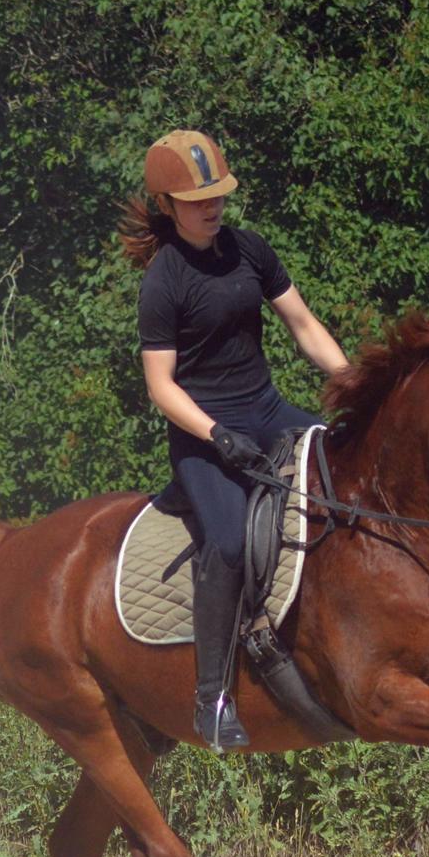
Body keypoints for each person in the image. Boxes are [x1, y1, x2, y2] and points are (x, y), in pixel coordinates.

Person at [120, 129, 348, 750]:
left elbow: (303, 325)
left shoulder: (249, 250)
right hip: (203, 434)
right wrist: (217, 435)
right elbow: (160, 386)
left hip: (267, 410)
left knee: (345, 465)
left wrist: (353, 382)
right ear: (167, 205)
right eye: (198, 200)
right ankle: (211, 699)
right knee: (225, 542)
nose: (212, 207)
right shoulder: (164, 281)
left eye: (218, 194)